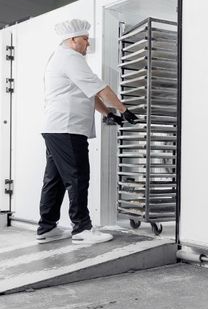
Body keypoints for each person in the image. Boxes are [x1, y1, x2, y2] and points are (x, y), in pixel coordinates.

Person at [36, 19, 138, 244]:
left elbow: (87, 92)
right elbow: (99, 87)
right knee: (78, 176)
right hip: (67, 128)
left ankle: (46, 227)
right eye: (84, 40)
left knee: (55, 178)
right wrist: (124, 109)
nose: (88, 45)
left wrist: (107, 114)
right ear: (72, 40)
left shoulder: (61, 57)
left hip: (57, 128)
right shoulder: (70, 57)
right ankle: (82, 229)